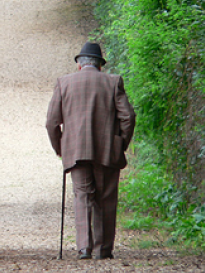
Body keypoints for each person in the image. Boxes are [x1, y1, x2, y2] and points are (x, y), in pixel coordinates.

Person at [46, 42, 136, 260]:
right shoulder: (113, 82)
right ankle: (102, 249)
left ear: (79, 65)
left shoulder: (64, 82)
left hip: (76, 151)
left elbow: (51, 122)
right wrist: (120, 143)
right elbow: (128, 116)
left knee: (83, 197)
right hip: (107, 151)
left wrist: (60, 148)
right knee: (105, 197)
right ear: (100, 66)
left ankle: (84, 248)